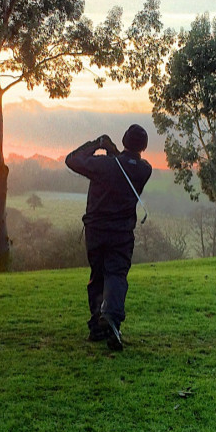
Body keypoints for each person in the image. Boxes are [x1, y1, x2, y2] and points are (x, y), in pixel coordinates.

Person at [65, 124, 152, 351]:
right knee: (116, 273)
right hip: (122, 233)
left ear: (123, 140)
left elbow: (72, 159)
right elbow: (126, 166)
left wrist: (98, 144)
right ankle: (111, 317)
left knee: (98, 275)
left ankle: (99, 325)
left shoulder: (104, 166)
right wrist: (115, 153)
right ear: (143, 146)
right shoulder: (145, 169)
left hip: (95, 229)